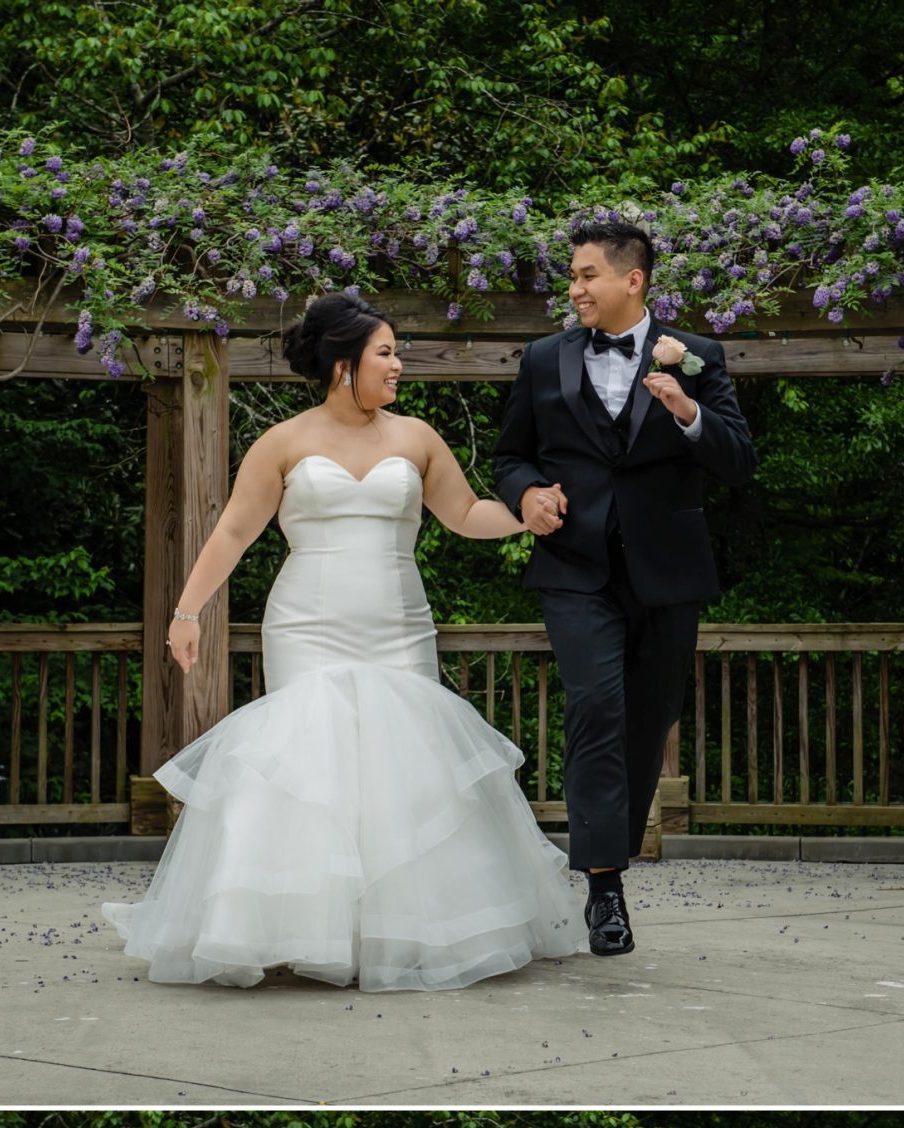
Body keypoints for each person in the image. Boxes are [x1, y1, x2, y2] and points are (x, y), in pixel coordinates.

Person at [102, 293, 587, 991]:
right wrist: (187, 611)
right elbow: (235, 531)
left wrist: (524, 515)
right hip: (308, 623)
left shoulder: (417, 437)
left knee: (405, 765)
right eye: (385, 353)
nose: (398, 365)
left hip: (397, 623)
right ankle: (294, 927)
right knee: (311, 760)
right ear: (342, 365)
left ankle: (406, 931)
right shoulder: (284, 442)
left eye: (396, 353)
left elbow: (465, 513)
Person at [494, 218, 757, 958]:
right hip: (576, 570)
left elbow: (738, 461)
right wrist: (527, 497)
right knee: (596, 707)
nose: (573, 289)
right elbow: (511, 456)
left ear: (631, 281)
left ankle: (614, 859)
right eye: (573, 277)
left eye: (585, 276)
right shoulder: (545, 359)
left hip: (668, 575)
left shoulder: (698, 355)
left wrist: (686, 408)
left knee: (647, 721)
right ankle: (604, 886)